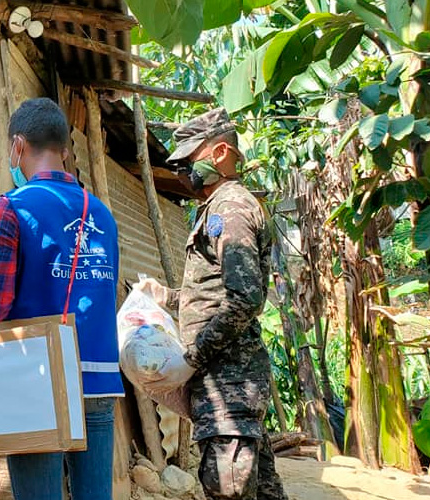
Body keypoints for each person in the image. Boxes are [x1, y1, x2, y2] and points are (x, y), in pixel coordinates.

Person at [0, 98, 123, 500]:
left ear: (17, 145)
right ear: (66, 150)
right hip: (99, 377)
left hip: (37, 376)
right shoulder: (102, 214)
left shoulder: (11, 208)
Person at [140, 108, 288, 500]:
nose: (186, 171)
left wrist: (192, 357)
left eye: (192, 160)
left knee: (228, 489)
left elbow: (244, 299)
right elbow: (215, 293)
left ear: (221, 153)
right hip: (226, 388)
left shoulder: (230, 209)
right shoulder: (216, 207)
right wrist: (167, 297)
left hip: (230, 386)